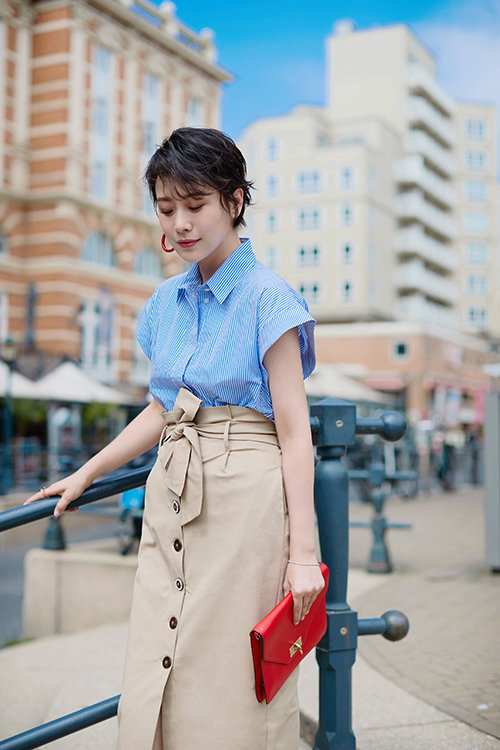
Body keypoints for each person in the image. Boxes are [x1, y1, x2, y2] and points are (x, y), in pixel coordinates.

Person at [24, 127, 324, 750]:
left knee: (231, 671)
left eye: (196, 205)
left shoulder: (268, 296)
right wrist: (88, 474)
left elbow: (295, 432)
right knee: (160, 653)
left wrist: (302, 555)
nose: (182, 223)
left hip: (246, 490)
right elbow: (163, 410)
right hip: (173, 486)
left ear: (234, 201)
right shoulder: (165, 301)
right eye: (167, 209)